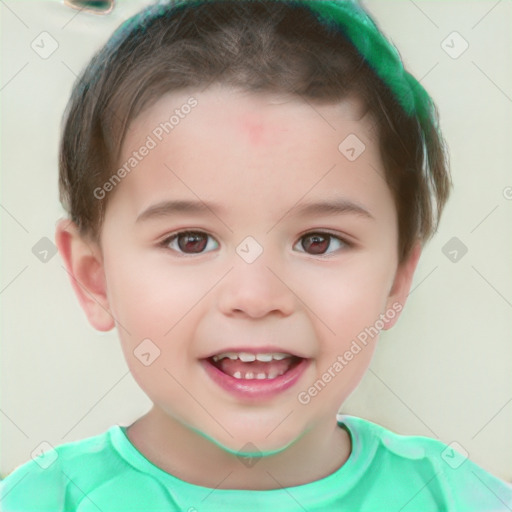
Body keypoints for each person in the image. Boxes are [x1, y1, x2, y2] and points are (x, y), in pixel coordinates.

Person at [2, 0, 511, 510]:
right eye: (190, 241)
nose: (256, 296)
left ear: (397, 279)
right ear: (95, 278)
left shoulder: (460, 499)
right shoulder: (44, 500)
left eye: (319, 241)